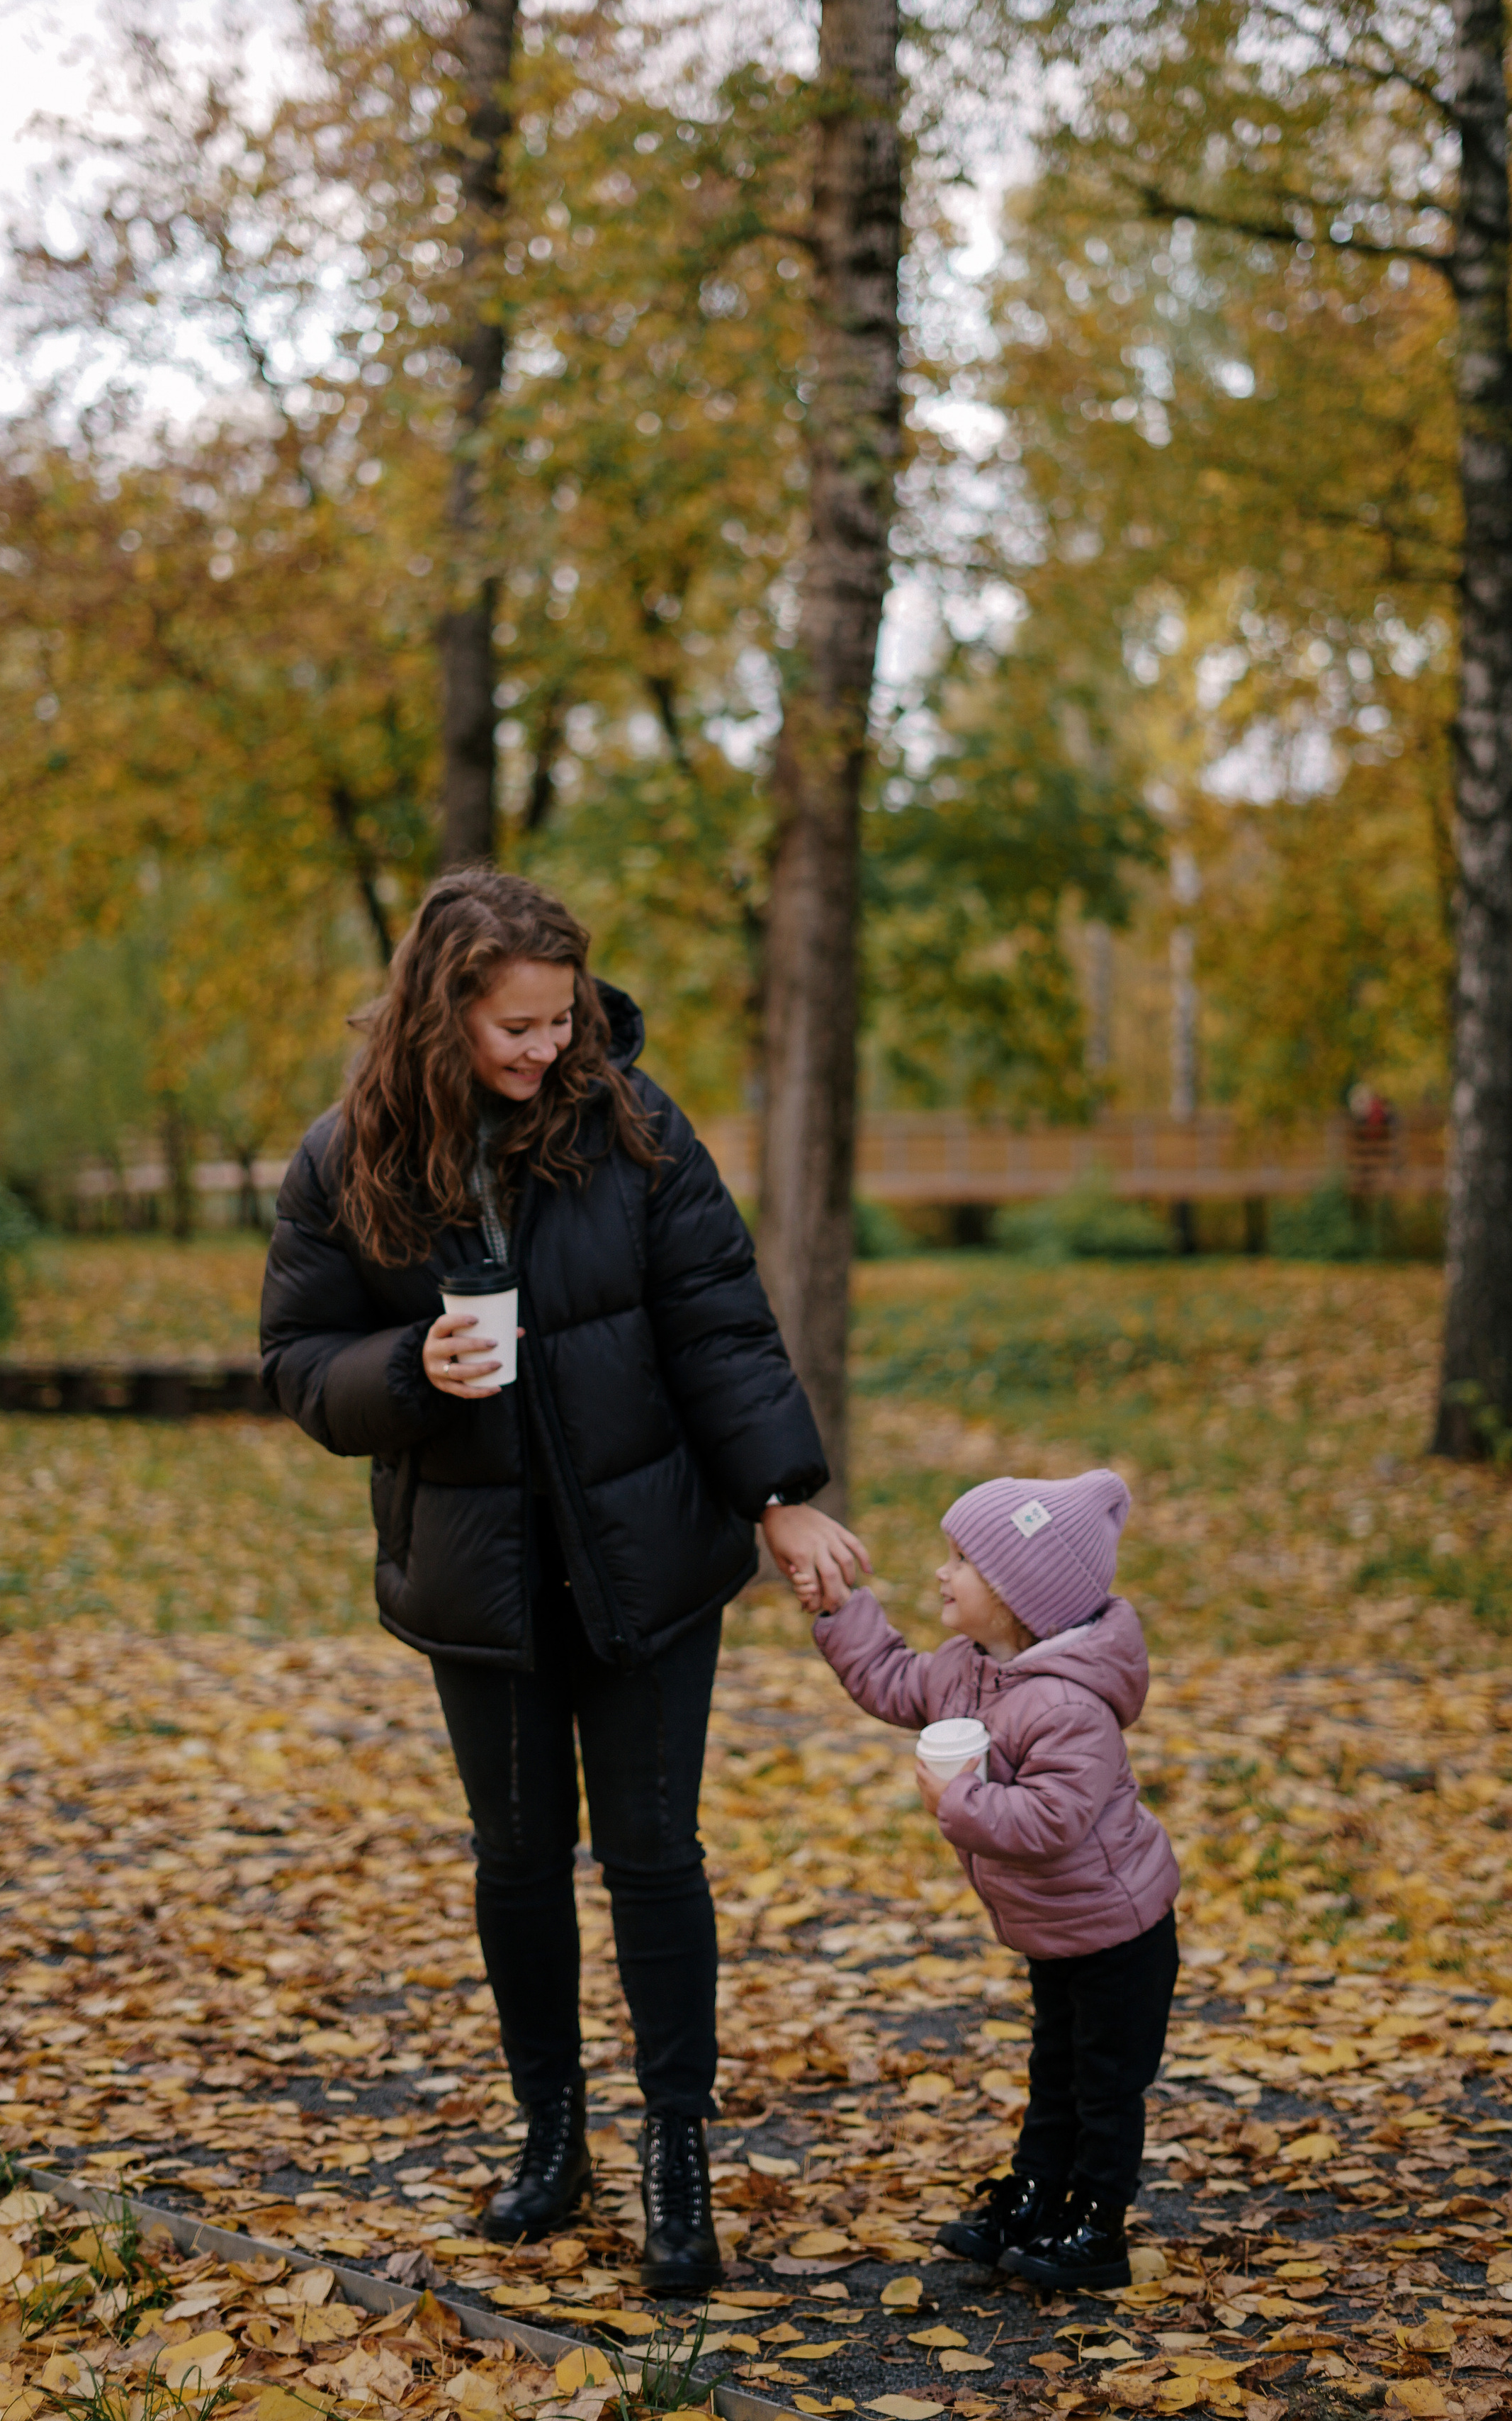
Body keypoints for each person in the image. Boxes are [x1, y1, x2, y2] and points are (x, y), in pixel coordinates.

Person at [259, 868, 865, 2289]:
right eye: (518, 1026)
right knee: (519, 1863)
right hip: (480, 1577)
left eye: (562, 1019)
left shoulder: (632, 1126)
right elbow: (296, 1361)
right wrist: (406, 1367)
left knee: (654, 1857)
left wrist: (778, 1500)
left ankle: (675, 2151)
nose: (548, 1048)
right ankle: (552, 2135)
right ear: (442, 1013)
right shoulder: (346, 1160)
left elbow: (718, 1322)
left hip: (647, 1559)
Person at [795, 1468, 1178, 2293]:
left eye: (962, 1561)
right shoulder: (965, 1669)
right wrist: (840, 1611)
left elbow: (1051, 1821)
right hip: (1056, 1928)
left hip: (1121, 1932)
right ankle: (1035, 2196)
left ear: (1016, 1596)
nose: (942, 1573)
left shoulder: (1070, 1708)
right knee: (1055, 2068)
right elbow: (891, 1679)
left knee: (1105, 2085)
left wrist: (957, 1801)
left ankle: (1096, 2224)